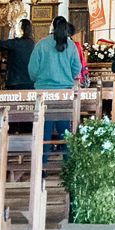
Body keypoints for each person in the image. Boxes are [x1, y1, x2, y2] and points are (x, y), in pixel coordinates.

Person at [29, 16, 82, 160]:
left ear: (52, 26)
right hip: (64, 92)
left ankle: (42, 165)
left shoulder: (41, 44)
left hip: (43, 93)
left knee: (44, 129)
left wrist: (38, 79)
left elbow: (32, 69)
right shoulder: (70, 46)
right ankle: (68, 164)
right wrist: (67, 77)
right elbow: (78, 67)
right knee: (65, 129)